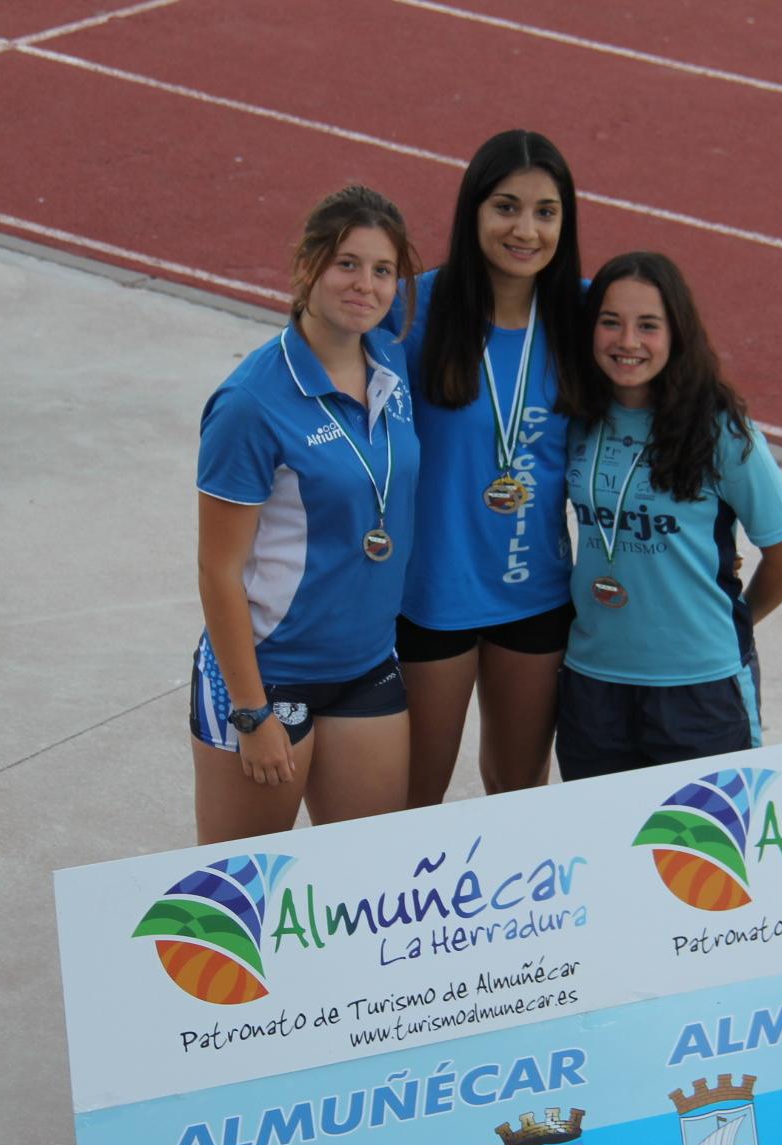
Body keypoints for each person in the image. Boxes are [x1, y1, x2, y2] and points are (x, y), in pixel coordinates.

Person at [189, 186, 421, 843]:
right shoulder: (250, 403)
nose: (365, 285)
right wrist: (250, 711)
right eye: (347, 263)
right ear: (306, 267)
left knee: (365, 881)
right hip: (270, 675)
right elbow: (218, 571)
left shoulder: (390, 362)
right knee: (244, 889)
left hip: (367, 667)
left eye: (382, 270)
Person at [552, 251, 782, 781]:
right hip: (594, 681)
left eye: (648, 326)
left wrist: (735, 622)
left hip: (700, 688)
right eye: (610, 322)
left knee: (703, 837)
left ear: (677, 334)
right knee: (605, 832)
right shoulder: (576, 418)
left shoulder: (721, 432)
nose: (628, 341)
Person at [388, 129, 582, 806]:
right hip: (434, 595)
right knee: (415, 799)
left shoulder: (584, 316)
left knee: (520, 794)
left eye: (545, 212)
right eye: (506, 207)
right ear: (473, 209)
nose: (525, 230)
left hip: (536, 595)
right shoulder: (411, 311)